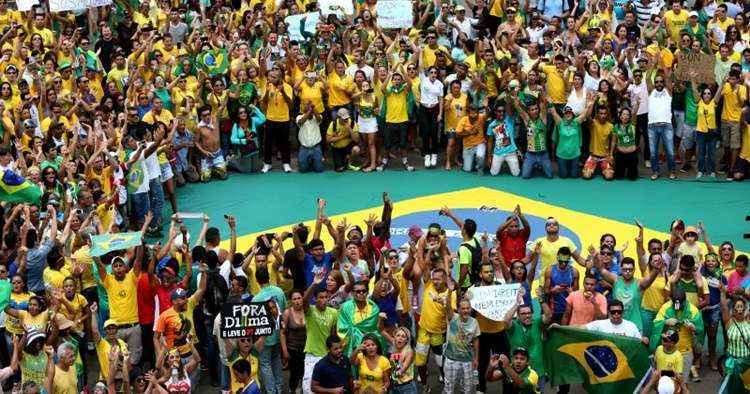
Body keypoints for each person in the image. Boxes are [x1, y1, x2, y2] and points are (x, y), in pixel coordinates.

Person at [443, 296, 480, 394]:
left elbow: (476, 340)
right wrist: (450, 291)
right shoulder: (453, 318)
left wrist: (476, 358)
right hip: (451, 359)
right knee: (449, 388)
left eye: (468, 308)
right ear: (458, 310)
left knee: (467, 389)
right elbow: (447, 305)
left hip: (467, 360)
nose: (466, 310)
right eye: (463, 308)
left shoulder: (474, 322)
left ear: (471, 309)